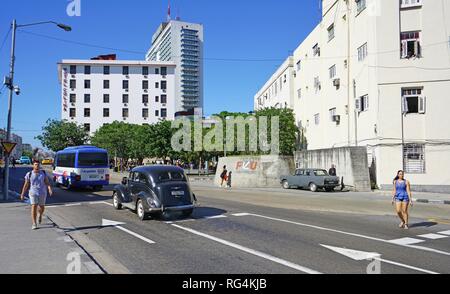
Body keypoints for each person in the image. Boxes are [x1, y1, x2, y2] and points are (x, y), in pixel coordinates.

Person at [20, 161, 53, 230]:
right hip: (33, 193)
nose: (37, 166)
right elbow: (26, 184)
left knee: (42, 207)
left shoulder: (43, 173)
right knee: (34, 206)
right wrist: (22, 194)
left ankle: (40, 215)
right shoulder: (29, 174)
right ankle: (34, 223)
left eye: (38, 165)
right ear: (33, 166)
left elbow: (47, 182)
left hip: (42, 193)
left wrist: (49, 189)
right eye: (35, 165)